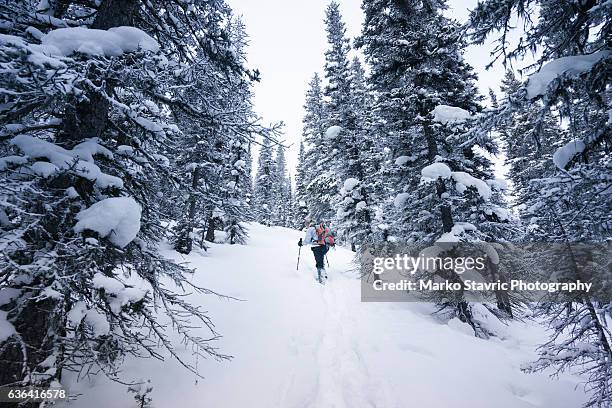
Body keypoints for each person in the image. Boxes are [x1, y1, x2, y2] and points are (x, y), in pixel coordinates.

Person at [298, 219, 334, 284]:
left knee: (318, 262)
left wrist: (301, 243)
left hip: (316, 247)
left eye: (306, 223)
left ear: (309, 223)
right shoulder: (321, 227)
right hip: (325, 246)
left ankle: (321, 278)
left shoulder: (311, 229)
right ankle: (324, 274)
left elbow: (307, 241)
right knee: (321, 259)